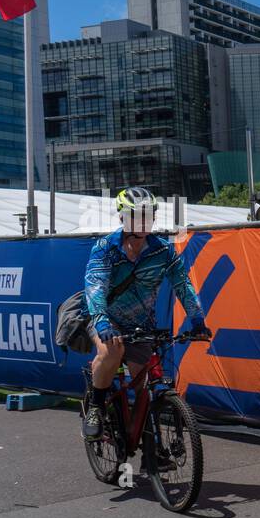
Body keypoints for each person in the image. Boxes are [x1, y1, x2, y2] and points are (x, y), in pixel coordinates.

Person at [81, 187, 210, 439]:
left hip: (141, 325)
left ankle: (152, 449)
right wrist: (102, 321)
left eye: (148, 215)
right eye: (136, 215)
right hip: (104, 320)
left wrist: (197, 319)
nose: (143, 221)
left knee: (144, 388)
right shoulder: (105, 248)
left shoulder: (163, 251)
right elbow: (95, 288)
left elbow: (183, 284)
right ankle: (96, 407)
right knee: (111, 350)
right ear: (122, 217)